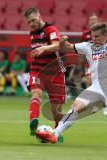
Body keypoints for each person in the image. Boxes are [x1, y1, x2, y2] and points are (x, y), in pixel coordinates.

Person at [35, 22, 107, 146]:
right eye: (92, 36)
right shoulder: (87, 46)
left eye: (97, 36)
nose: (94, 39)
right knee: (76, 106)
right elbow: (68, 47)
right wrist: (63, 42)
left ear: (106, 34)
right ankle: (55, 134)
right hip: (96, 87)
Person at [23, 7, 66, 138]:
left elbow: (56, 45)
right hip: (37, 70)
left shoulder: (51, 30)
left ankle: (57, 132)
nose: (31, 24)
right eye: (29, 22)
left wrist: (44, 48)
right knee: (36, 93)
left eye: (33, 20)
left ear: (39, 16)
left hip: (55, 73)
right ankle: (33, 122)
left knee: (56, 112)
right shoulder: (32, 33)